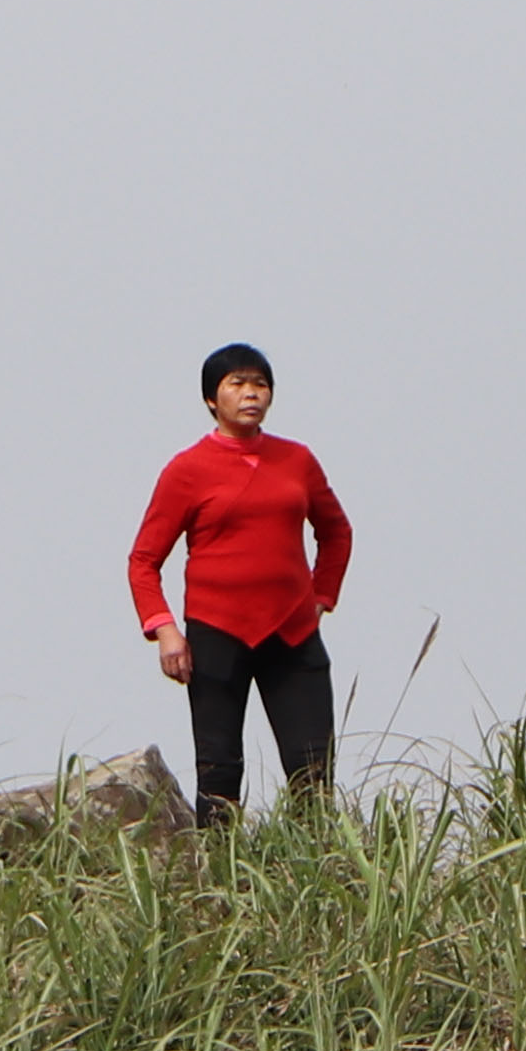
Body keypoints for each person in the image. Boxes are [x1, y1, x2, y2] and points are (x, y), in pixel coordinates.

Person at [128, 343, 351, 826]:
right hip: (217, 632)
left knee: (313, 771)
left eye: (260, 384)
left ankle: (314, 876)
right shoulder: (187, 469)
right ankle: (220, 885)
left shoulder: (297, 460)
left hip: (293, 634)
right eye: (237, 384)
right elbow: (143, 560)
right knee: (220, 773)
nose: (251, 394)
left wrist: (320, 598)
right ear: (213, 399)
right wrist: (165, 631)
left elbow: (336, 532)